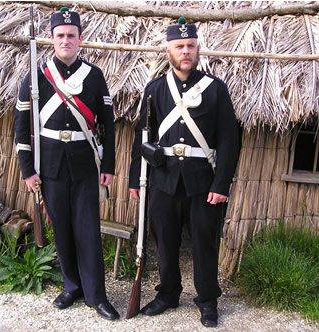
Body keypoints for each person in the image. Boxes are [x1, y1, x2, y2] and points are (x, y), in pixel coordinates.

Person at [129, 17, 239, 328]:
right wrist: (134, 177)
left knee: (205, 242)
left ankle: (207, 300)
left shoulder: (216, 90)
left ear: (197, 49)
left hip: (203, 181)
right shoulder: (154, 90)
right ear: (168, 50)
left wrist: (222, 183)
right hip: (163, 179)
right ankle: (168, 293)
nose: (186, 51)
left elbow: (229, 141)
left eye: (190, 45)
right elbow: (142, 135)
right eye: (179, 46)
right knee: (164, 239)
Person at [14, 7, 119, 320]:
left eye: (71, 35)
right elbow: (22, 125)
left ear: (80, 39)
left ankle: (95, 295)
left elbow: (108, 126)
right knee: (61, 229)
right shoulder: (37, 76)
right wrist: (28, 170)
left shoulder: (94, 76)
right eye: (60, 35)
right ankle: (71, 286)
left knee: (88, 231)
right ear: (52, 38)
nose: (65, 40)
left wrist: (108, 166)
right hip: (51, 167)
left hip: (86, 166)